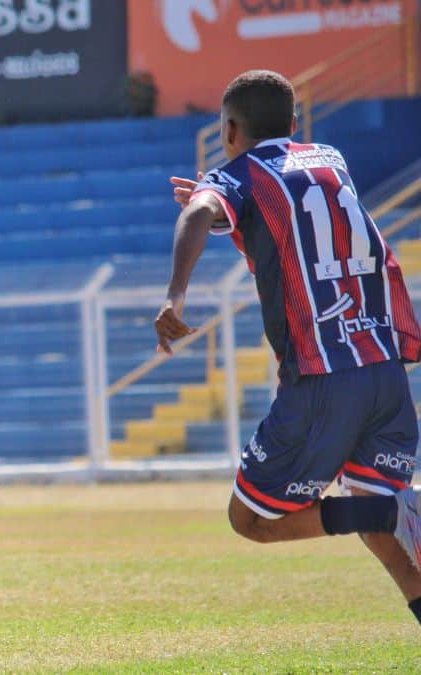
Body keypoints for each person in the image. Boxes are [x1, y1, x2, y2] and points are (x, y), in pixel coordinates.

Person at [158, 69, 421, 626]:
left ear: (229, 131)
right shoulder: (330, 160)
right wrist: (228, 202)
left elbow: (199, 213)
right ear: (295, 123)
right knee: (382, 529)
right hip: (384, 369)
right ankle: (395, 511)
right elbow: (292, 216)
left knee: (252, 520)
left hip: (323, 380)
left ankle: (393, 509)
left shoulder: (238, 176)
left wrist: (176, 293)